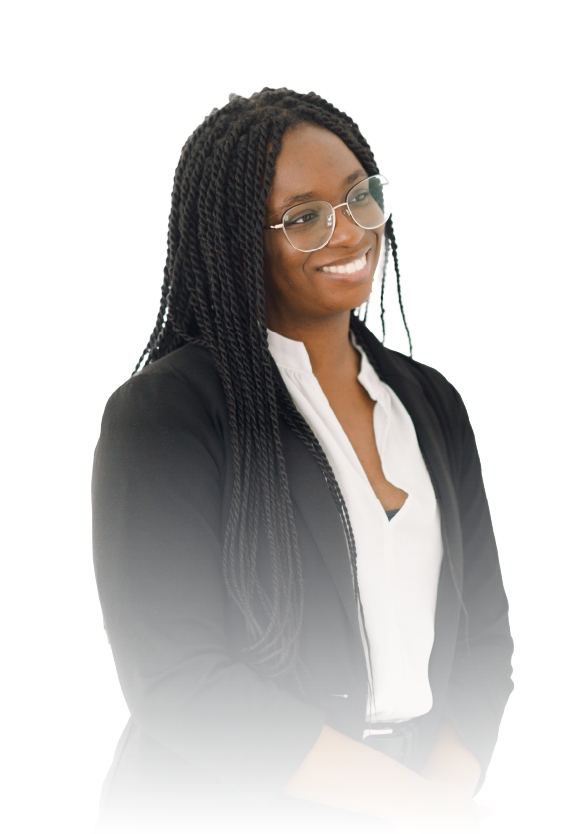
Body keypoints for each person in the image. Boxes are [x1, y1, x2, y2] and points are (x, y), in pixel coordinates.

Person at [92, 87, 514, 833]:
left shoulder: (430, 404)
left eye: (360, 198)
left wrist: (442, 798)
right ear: (235, 238)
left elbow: (483, 637)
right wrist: (414, 810)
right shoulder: (165, 415)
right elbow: (177, 679)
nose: (348, 234)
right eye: (304, 217)